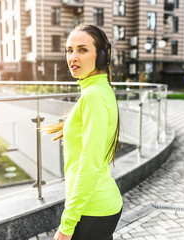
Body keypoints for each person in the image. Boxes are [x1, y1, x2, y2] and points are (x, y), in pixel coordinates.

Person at [46, 24, 123, 240]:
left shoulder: (94, 95)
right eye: (69, 50)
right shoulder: (99, 90)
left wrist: (66, 226)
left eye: (82, 50)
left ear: (100, 56)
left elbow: (89, 164)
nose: (73, 57)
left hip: (93, 211)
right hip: (98, 207)